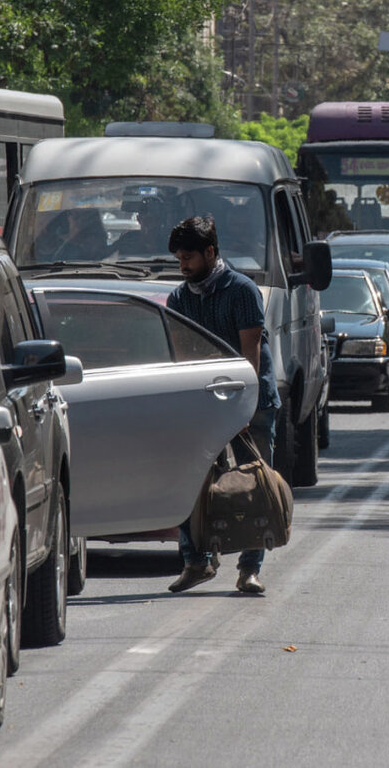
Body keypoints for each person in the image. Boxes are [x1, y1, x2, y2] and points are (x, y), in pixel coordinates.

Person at [165, 215, 281, 595]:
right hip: (205, 405)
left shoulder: (243, 291)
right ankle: (196, 562)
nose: (183, 265)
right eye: (179, 258)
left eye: (189, 258)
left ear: (211, 252)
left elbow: (251, 355)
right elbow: (184, 361)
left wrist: (242, 408)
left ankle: (249, 569)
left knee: (255, 487)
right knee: (191, 481)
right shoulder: (178, 298)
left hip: (251, 402)